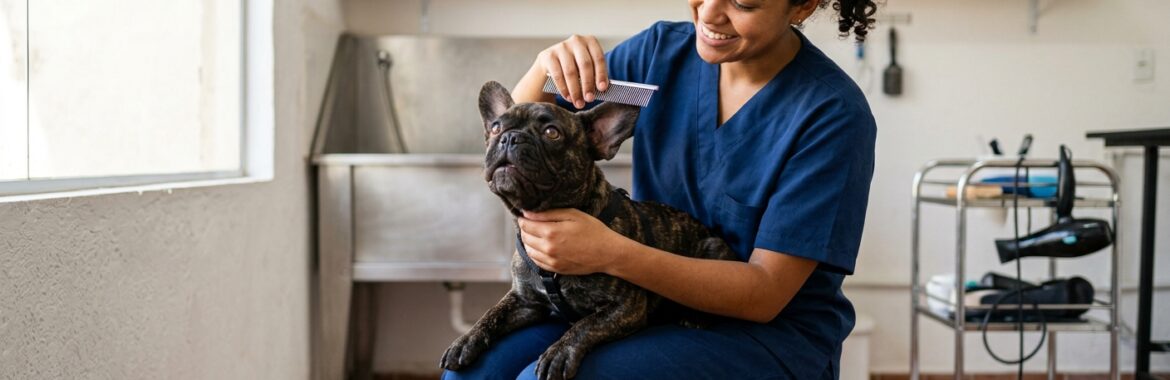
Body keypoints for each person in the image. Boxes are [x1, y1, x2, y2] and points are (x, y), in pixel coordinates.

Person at [445, 0, 877, 378]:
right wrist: (545, 67)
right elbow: (534, 128)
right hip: (633, 300)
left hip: (759, 332)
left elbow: (765, 294)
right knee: (473, 373)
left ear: (803, 6)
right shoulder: (658, 54)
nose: (710, 13)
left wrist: (610, 252)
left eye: (743, 3)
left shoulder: (830, 114)